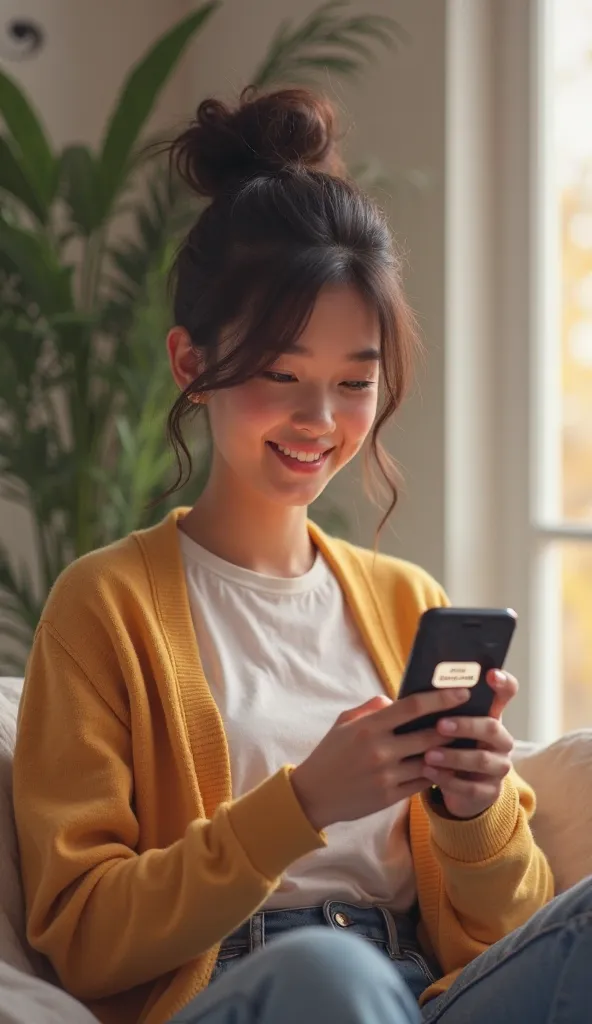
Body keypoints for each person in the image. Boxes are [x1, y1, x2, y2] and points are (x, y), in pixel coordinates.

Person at [12, 87, 591, 1024]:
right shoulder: (104, 606)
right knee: (329, 973)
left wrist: (472, 811)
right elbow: (84, 935)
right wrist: (306, 800)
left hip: (424, 994)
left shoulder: (406, 601)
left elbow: (510, 930)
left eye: (355, 382)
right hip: (254, 991)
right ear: (191, 365)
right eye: (282, 374)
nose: (320, 422)